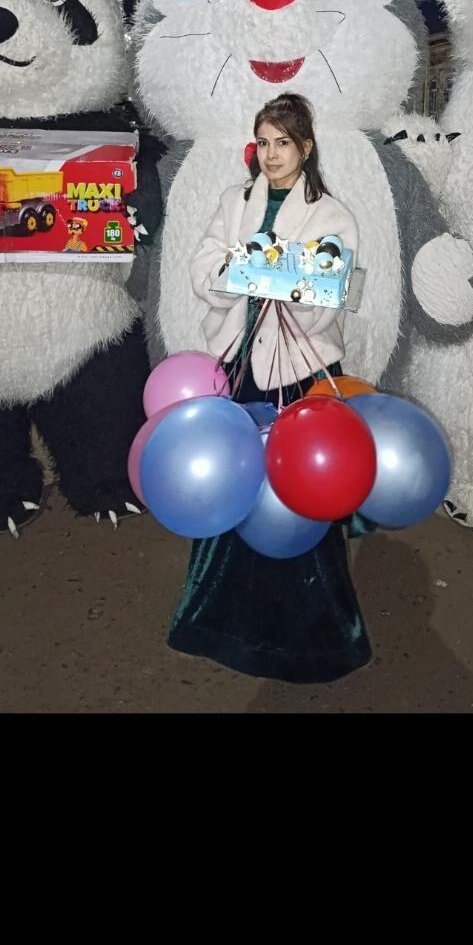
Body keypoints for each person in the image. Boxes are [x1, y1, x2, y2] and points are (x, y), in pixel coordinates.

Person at [168, 92, 373, 684]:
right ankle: (217, 619)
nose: (271, 154)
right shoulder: (234, 201)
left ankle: (312, 635)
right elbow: (203, 267)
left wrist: (272, 275)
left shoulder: (332, 214)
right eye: (263, 142)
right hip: (239, 364)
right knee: (235, 486)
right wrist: (259, 272)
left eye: (283, 142)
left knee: (300, 490)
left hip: (298, 368)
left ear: (306, 148)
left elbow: (326, 295)